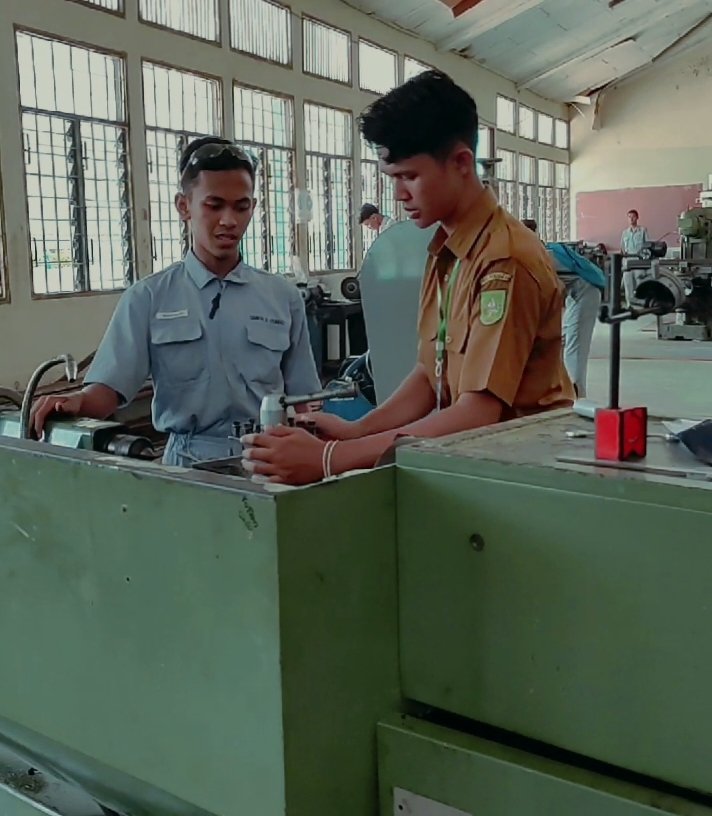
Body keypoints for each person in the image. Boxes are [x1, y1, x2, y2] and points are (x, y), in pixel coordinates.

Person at [241, 70, 574, 486]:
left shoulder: (505, 261)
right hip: (477, 463)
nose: (399, 195)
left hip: (526, 474)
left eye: (409, 177)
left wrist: (331, 458)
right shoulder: (446, 251)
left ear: (461, 163)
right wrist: (359, 431)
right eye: (392, 179)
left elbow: (477, 412)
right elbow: (429, 373)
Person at [30, 137, 321, 466]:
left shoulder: (282, 297)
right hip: (187, 465)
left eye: (241, 207)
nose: (229, 220)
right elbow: (108, 391)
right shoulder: (148, 299)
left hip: (270, 459)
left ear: (253, 207)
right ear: (184, 206)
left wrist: (315, 454)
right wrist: (77, 401)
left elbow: (304, 399)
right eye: (214, 205)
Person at [523, 219, 604, 398]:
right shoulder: (544, 250)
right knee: (564, 341)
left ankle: (577, 396)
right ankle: (566, 390)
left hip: (586, 294)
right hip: (575, 295)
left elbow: (547, 294)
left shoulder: (543, 256)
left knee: (575, 346)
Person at [621, 209, 650, 306]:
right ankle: (630, 305)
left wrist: (645, 259)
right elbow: (622, 249)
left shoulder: (643, 230)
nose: (631, 219)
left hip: (639, 262)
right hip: (628, 262)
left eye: (633, 217)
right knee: (628, 284)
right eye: (629, 217)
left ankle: (642, 304)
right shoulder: (625, 233)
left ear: (637, 218)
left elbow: (647, 246)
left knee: (640, 282)